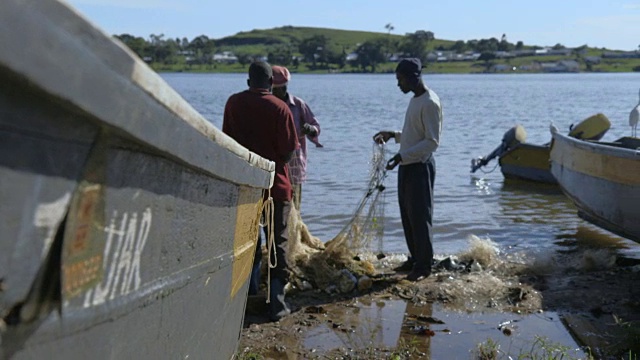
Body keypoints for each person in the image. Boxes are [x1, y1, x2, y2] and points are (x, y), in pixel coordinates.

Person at [222, 61, 299, 321]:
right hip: (275, 188)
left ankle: (247, 296)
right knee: (278, 243)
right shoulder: (281, 108)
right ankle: (276, 303)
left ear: (248, 82)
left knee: (248, 242)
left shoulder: (233, 103)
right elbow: (288, 152)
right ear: (271, 84)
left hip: (246, 189)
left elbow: (228, 143)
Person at [373, 58, 443, 282]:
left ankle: (424, 267)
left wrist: (402, 155)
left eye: (400, 79)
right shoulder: (415, 100)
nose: (398, 84)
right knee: (408, 215)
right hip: (407, 165)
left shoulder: (430, 102)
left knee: (420, 217)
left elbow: (431, 142)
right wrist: (394, 135)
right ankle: (415, 258)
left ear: (413, 77)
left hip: (420, 167)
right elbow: (415, 135)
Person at [271, 65, 323, 211]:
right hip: (273, 159)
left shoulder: (298, 105)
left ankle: (294, 232)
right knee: (273, 206)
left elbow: (316, 127)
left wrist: (310, 130)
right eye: (275, 90)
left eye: (281, 89)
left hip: (294, 161)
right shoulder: (268, 105)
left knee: (294, 207)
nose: (278, 93)